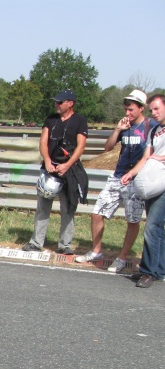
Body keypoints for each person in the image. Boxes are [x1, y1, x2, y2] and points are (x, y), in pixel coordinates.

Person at [75, 90, 152, 272]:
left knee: (132, 220)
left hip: (137, 178)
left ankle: (122, 257)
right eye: (126, 109)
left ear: (142, 108)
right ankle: (96, 251)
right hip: (117, 175)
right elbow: (108, 147)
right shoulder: (125, 126)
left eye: (131, 110)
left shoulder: (150, 126)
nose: (127, 113)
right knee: (97, 212)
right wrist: (118, 130)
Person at [22, 90, 89, 255]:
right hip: (50, 169)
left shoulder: (80, 121)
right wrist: (47, 160)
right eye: (56, 102)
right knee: (43, 207)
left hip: (69, 170)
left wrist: (67, 165)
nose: (56, 105)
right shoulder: (51, 119)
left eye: (60, 102)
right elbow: (43, 141)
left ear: (70, 103)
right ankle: (36, 242)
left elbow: (81, 146)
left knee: (68, 209)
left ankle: (64, 244)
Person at [121, 94, 165, 288]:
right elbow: (147, 155)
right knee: (158, 229)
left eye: (157, 109)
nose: (153, 113)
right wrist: (131, 173)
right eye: (152, 109)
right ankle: (160, 270)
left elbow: (156, 157)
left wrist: (159, 158)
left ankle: (147, 272)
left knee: (152, 226)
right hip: (153, 181)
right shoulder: (155, 130)